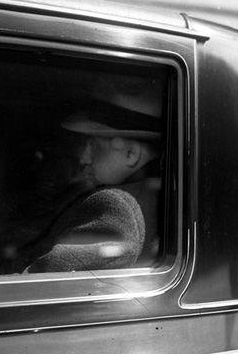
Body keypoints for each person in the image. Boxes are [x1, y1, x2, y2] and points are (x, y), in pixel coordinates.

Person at [10, 80, 163, 274]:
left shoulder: (114, 205)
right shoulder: (152, 198)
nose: (84, 158)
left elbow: (40, 278)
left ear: (130, 154)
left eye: (93, 145)